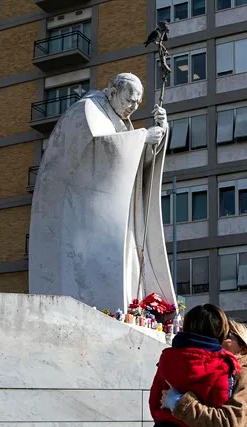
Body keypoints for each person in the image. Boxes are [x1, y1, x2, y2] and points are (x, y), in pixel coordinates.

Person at [28, 72, 176, 315]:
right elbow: (94, 151)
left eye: (137, 103)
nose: (132, 107)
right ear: (112, 91)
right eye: (129, 100)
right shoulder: (86, 110)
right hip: (81, 217)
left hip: (112, 214)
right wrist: (141, 137)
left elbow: (137, 168)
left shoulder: (118, 120)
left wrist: (159, 134)